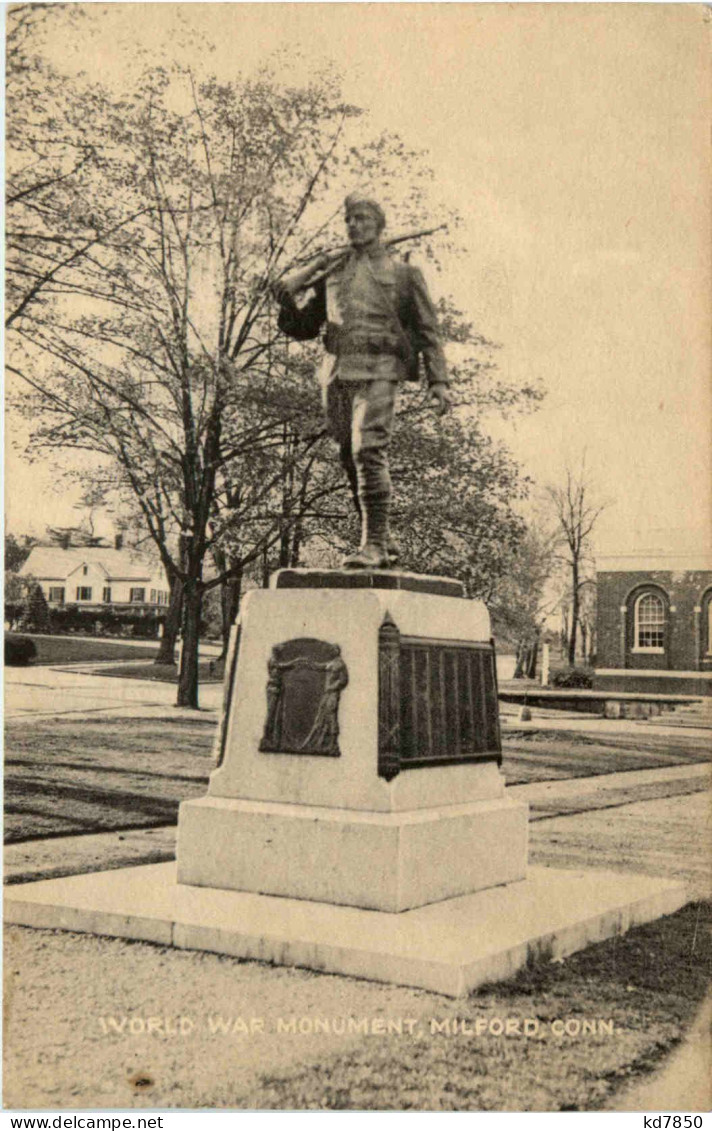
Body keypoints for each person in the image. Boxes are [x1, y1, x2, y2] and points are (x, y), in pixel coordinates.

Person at [272, 193, 452, 569]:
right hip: (337, 371)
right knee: (348, 456)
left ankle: (372, 545)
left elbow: (427, 329)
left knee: (367, 450)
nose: (354, 224)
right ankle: (382, 539)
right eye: (349, 219)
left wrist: (439, 381)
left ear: (379, 224)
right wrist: (285, 300)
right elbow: (305, 326)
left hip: (381, 367)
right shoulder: (333, 272)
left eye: (362, 217)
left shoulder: (404, 274)